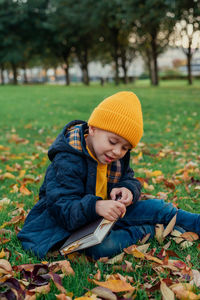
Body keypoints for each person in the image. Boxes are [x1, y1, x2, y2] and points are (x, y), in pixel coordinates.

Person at [18, 91, 200, 259]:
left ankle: (194, 222)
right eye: (113, 142)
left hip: (107, 215)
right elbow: (62, 208)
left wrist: (128, 189)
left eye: (125, 147)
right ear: (93, 128)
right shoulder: (67, 160)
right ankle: (150, 230)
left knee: (158, 207)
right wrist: (96, 206)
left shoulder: (115, 156)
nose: (117, 151)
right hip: (67, 226)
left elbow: (129, 178)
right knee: (102, 248)